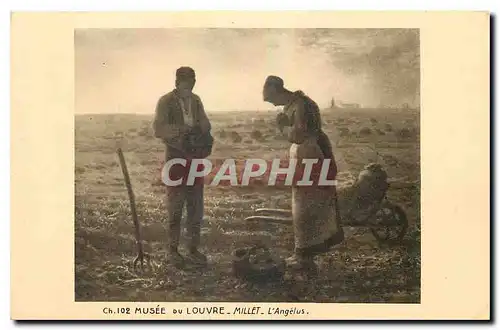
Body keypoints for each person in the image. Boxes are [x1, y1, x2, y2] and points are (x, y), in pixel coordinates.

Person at [262, 75, 344, 271]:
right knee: (303, 204)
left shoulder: (301, 105)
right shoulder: (295, 104)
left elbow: (298, 135)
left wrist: (282, 126)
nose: (273, 105)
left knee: (307, 205)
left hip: (311, 155)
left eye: (272, 100)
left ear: (277, 91)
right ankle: (303, 254)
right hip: (305, 155)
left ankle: (305, 256)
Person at [152, 66, 213, 267]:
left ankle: (193, 249)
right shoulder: (165, 101)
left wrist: (201, 129)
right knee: (176, 206)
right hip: (176, 157)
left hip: (195, 158)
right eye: (187, 81)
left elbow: (205, 123)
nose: (191, 85)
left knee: (196, 205)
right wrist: (182, 131)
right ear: (178, 82)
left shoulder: (196, 100)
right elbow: (158, 129)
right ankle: (173, 250)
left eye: (193, 81)